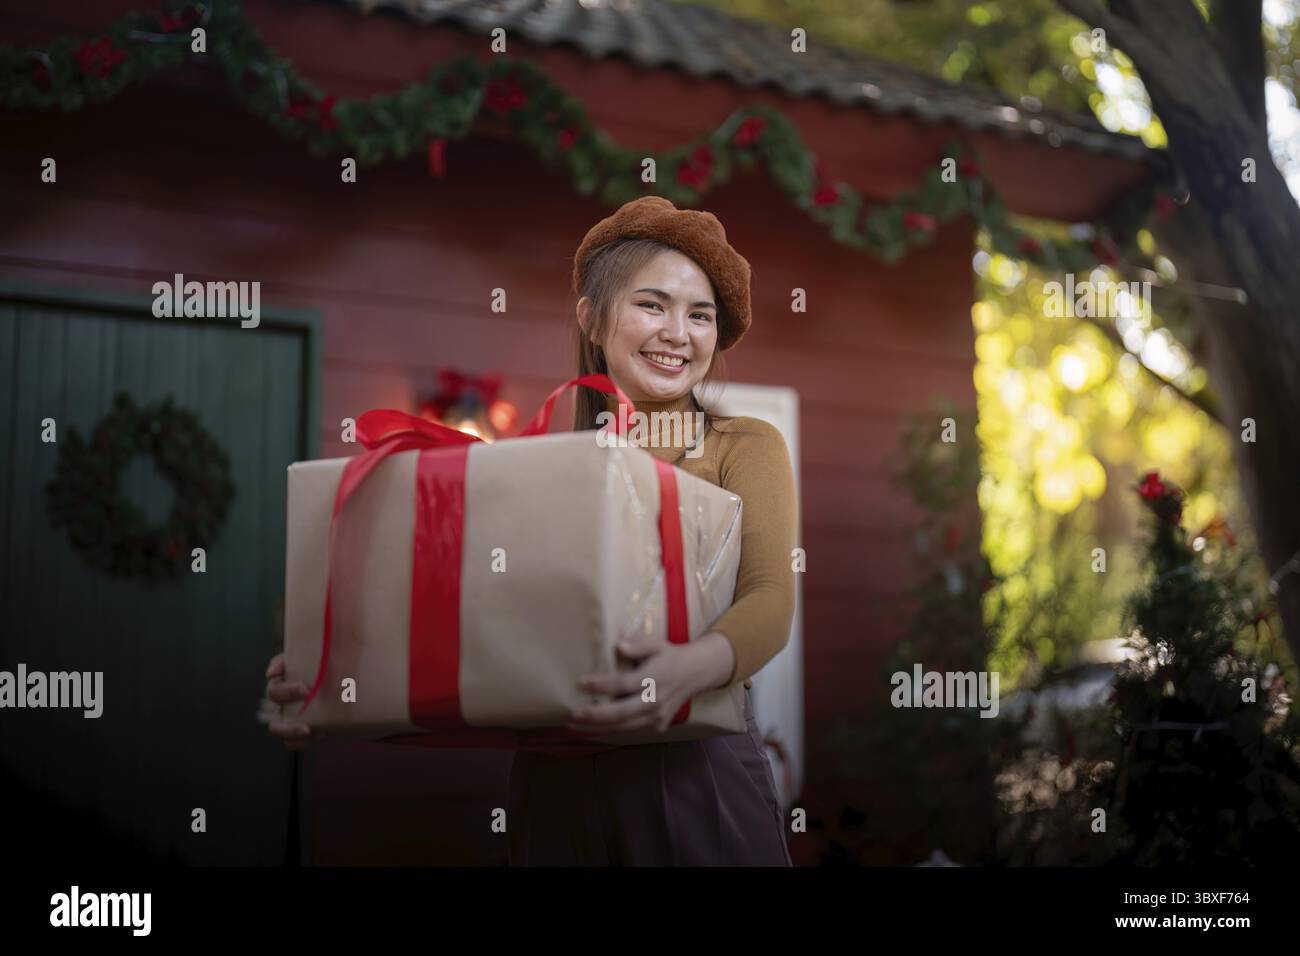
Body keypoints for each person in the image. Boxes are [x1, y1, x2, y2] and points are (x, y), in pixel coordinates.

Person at [264, 196, 798, 866]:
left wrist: (687, 670)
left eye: (701, 315)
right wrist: (327, 667)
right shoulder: (542, 466)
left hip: (691, 769)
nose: (678, 332)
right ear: (593, 318)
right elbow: (476, 624)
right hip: (554, 782)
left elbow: (772, 597)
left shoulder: (742, 443)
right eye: (653, 304)